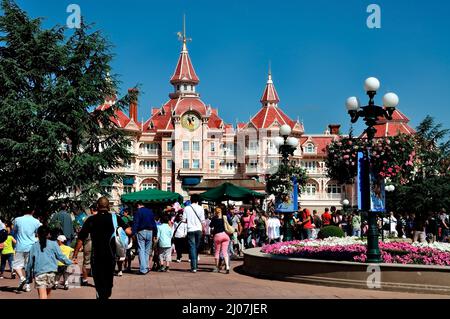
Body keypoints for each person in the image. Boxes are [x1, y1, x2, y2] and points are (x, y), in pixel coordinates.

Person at [73, 197, 132, 299]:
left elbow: (80, 238)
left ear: (97, 206)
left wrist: (75, 254)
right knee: (108, 284)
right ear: (108, 206)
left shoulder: (91, 219)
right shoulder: (115, 218)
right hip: (110, 257)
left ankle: (100, 295)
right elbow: (129, 232)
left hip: (96, 257)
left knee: (99, 284)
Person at [26, 226, 72, 299]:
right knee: (48, 294)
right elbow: (61, 257)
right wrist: (70, 262)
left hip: (40, 273)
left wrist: (28, 277)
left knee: (42, 295)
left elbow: (29, 263)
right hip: (51, 273)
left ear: (37, 234)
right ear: (49, 234)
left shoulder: (34, 246)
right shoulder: (54, 244)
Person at [13, 207, 41, 292]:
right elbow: (39, 232)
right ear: (33, 211)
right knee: (28, 267)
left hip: (20, 246)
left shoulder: (17, 219)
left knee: (16, 265)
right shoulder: (36, 221)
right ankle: (28, 286)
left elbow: (15, 230)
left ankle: (22, 278)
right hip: (31, 246)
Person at [132, 201, 158, 275]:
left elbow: (136, 223)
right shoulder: (150, 212)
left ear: (138, 205)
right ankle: (146, 267)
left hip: (141, 231)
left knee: (141, 250)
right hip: (150, 232)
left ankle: (143, 269)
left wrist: (133, 233)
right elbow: (154, 223)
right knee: (147, 250)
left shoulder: (138, 212)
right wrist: (155, 234)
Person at [182, 194, 205, 273]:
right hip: (199, 229)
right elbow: (203, 221)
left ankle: (194, 267)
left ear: (191, 200)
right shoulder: (201, 208)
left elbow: (183, 220)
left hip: (190, 229)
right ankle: (196, 265)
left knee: (192, 247)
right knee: (196, 247)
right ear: (198, 200)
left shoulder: (186, 208)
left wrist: (190, 221)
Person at [209, 207, 231, 274]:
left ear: (215, 212)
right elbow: (230, 223)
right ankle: (227, 266)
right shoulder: (225, 217)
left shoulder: (214, 218)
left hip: (217, 236)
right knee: (225, 252)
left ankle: (217, 267)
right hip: (225, 235)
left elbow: (210, 226)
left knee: (217, 252)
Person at [80, 204, 97, 287]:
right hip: (99, 242)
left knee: (86, 261)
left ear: (92, 209)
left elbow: (83, 232)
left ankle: (85, 279)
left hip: (88, 241)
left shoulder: (87, 218)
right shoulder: (102, 217)